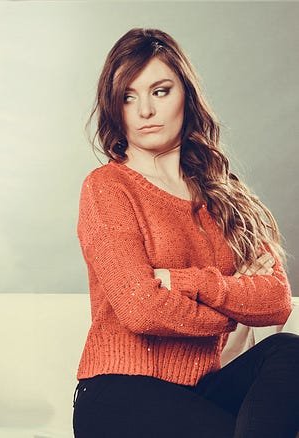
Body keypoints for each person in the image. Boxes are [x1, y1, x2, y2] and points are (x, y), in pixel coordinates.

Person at [73, 28, 298, 438]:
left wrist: (180, 281)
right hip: (118, 394)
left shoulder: (226, 197)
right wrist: (231, 308)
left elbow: (277, 301)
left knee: (290, 351)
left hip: (198, 391)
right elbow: (141, 309)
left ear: (186, 97)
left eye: (160, 91)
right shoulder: (107, 187)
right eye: (128, 96)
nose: (144, 110)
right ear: (115, 107)